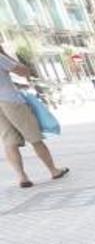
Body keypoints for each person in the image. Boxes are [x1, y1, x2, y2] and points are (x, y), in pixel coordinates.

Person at [0, 45, 68, 189]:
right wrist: (5, 53)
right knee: (35, 137)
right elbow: (24, 72)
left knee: (9, 141)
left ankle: (22, 177)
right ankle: (53, 170)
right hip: (11, 101)